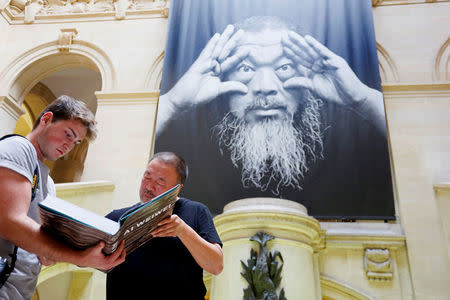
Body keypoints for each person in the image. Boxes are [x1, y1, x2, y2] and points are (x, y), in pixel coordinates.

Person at [155, 16, 395, 219]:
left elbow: (414, 154)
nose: (265, 87)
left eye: (285, 67)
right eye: (246, 69)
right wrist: (174, 102)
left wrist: (361, 99)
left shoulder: (351, 131)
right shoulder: (189, 133)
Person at [0, 95, 126, 300]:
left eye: (76, 142)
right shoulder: (18, 148)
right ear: (46, 119)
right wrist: (80, 257)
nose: (69, 146)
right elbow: (10, 223)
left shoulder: (49, 185)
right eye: (68, 134)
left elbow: (40, 247)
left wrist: (51, 253)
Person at [105, 152, 223, 300]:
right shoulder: (117, 218)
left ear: (177, 189)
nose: (149, 186)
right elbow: (82, 262)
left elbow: (216, 266)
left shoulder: (196, 211)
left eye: (160, 182)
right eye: (147, 177)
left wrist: (183, 231)